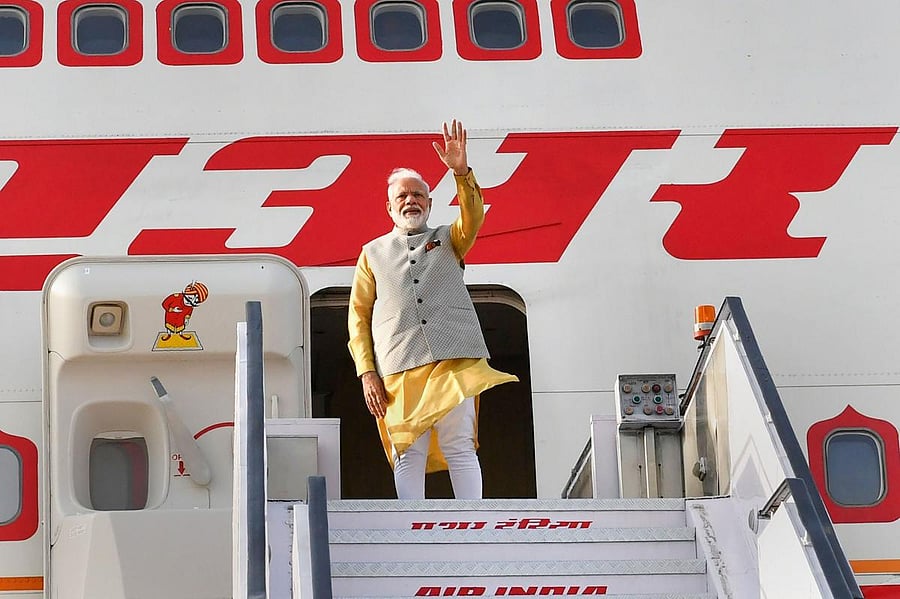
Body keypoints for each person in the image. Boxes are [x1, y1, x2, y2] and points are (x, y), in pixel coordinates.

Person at [347, 119, 518, 499]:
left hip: (455, 357)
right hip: (398, 365)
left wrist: (461, 172)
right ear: (389, 207)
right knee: (408, 448)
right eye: (403, 197)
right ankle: (412, 527)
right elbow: (357, 318)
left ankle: (472, 522)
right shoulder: (371, 254)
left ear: (429, 202)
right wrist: (366, 373)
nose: (411, 201)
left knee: (459, 442)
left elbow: (474, 217)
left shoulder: (449, 238)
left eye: (418, 195)